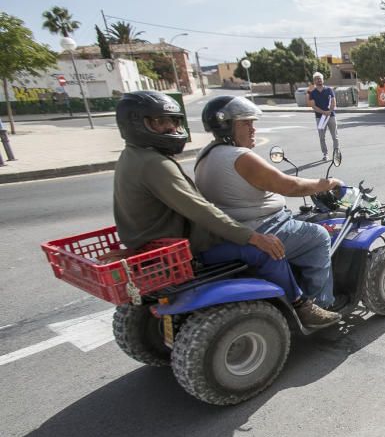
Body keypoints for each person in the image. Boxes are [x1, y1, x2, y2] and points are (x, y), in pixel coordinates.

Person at [112, 90, 339, 328]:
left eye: (172, 121)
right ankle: (310, 304)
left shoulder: (145, 156)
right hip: (182, 247)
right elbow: (202, 209)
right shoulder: (155, 164)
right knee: (296, 241)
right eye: (160, 122)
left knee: (267, 243)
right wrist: (253, 237)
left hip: (161, 243)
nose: (171, 127)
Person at [194, 95, 341, 312]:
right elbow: (291, 186)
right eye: (245, 123)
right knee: (319, 236)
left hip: (234, 228)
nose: (253, 129)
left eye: (252, 123)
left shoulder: (205, 154)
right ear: (226, 125)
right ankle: (321, 304)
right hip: (261, 226)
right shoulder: (240, 156)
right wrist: (328, 184)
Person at [307, 72, 339, 161]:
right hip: (320, 118)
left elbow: (333, 101)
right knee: (322, 137)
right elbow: (313, 106)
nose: (319, 80)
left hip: (331, 116)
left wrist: (329, 111)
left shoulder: (329, 90)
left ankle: (336, 153)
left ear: (323, 80)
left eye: (320, 78)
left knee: (335, 136)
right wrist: (323, 112)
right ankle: (325, 154)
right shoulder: (312, 93)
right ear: (314, 81)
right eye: (317, 78)